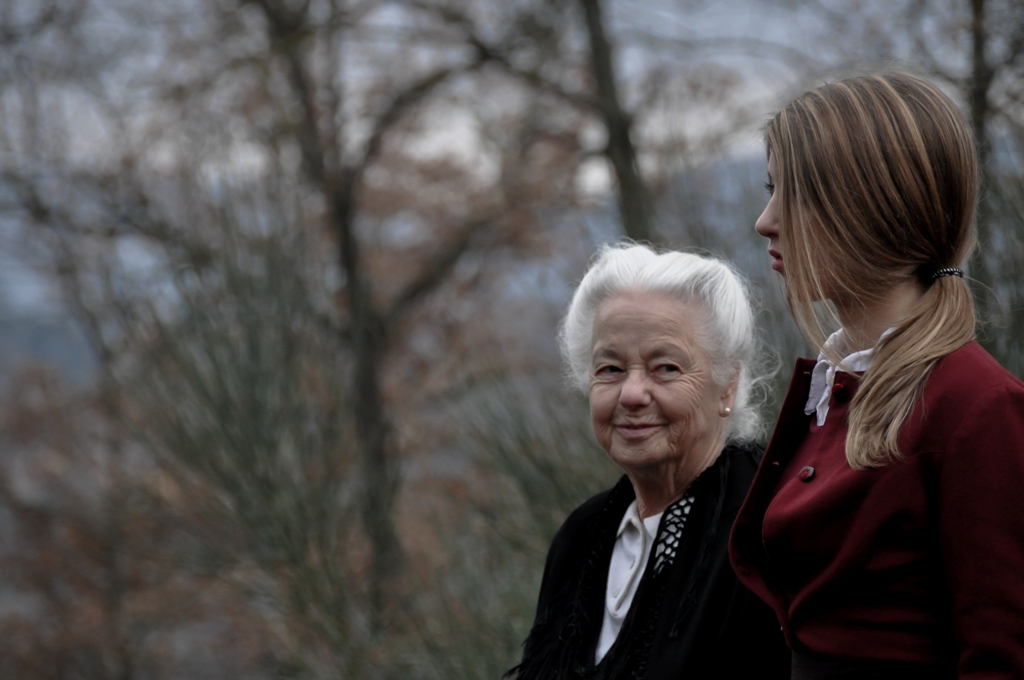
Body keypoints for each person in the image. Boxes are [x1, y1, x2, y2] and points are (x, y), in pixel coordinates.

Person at [730, 71, 1024, 679]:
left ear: (870, 208)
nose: (765, 220)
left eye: (793, 195)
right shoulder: (836, 390)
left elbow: (1002, 659)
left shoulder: (977, 406)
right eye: (770, 189)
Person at [510, 243, 789, 680]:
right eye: (610, 369)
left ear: (728, 384)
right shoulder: (581, 536)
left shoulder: (768, 531)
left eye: (665, 368)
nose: (632, 394)